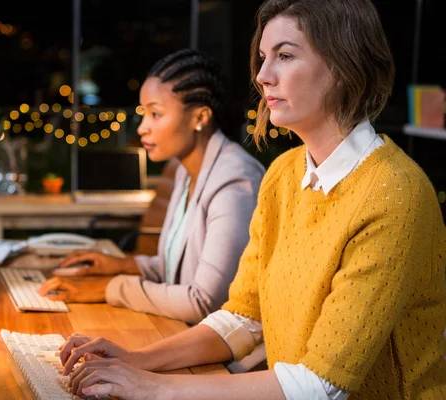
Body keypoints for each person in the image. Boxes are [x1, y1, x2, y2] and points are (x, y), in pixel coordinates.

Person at [50, 0, 446, 398]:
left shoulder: (395, 195)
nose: (262, 76)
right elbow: (243, 317)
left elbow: (323, 385)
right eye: (262, 58)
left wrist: (153, 388)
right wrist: (136, 359)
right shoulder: (284, 175)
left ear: (345, 67)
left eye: (285, 56)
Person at [37, 48, 266, 325]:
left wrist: (108, 288)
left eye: (155, 114)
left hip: (225, 360)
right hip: (180, 333)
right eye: (143, 114)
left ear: (200, 118)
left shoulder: (236, 181)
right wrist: (121, 265)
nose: (143, 128)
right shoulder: (185, 171)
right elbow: (178, 270)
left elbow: (203, 301)